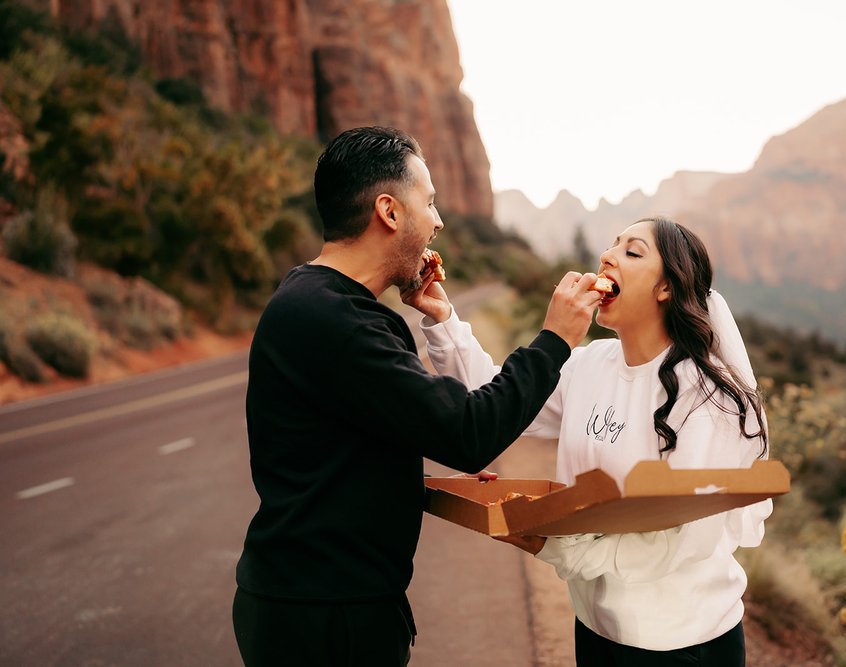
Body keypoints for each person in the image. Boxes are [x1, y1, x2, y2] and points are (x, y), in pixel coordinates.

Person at [232, 126, 601, 666]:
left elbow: (340, 450)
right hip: (326, 619)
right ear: (389, 211)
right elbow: (470, 432)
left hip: (308, 603)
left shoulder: (310, 298)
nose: (439, 221)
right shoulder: (339, 321)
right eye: (429, 202)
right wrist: (555, 339)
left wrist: (413, 480)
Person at [412, 217, 770, 666]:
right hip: (596, 628)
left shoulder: (706, 397)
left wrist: (556, 546)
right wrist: (442, 317)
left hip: (682, 642)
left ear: (666, 288)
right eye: (611, 245)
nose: (607, 256)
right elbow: (502, 402)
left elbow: (687, 539)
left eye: (632, 251)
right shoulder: (589, 364)